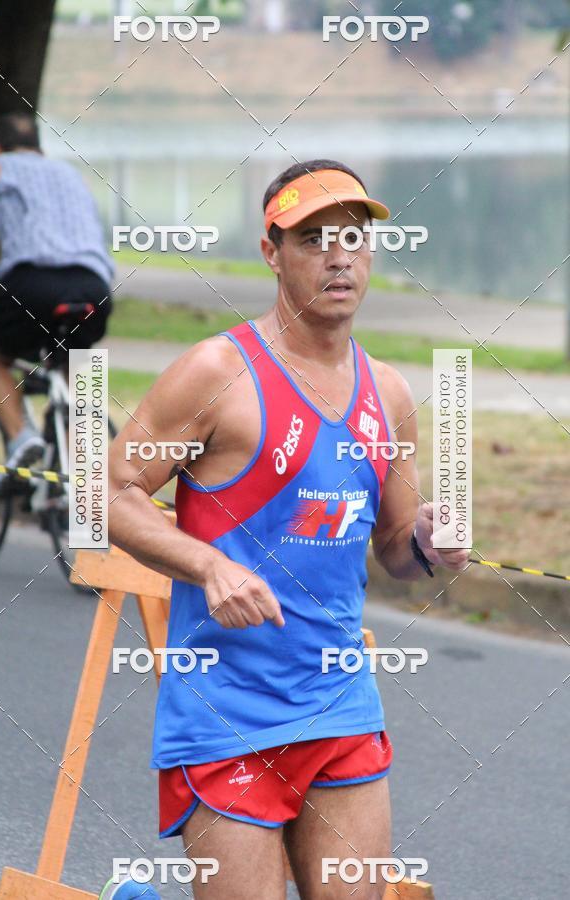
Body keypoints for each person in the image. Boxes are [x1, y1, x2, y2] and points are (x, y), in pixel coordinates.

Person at [108, 159, 469, 899]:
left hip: (339, 700)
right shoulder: (218, 372)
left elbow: (397, 550)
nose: (338, 256)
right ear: (271, 252)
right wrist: (207, 567)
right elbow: (106, 492)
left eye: (353, 237)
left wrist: (430, 544)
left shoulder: (389, 393)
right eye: (312, 239)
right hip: (227, 709)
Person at [0, 112, 114, 469]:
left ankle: (21, 438)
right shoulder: (71, 174)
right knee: (76, 365)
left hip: (29, 282)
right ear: (39, 146)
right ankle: (86, 472)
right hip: (93, 285)